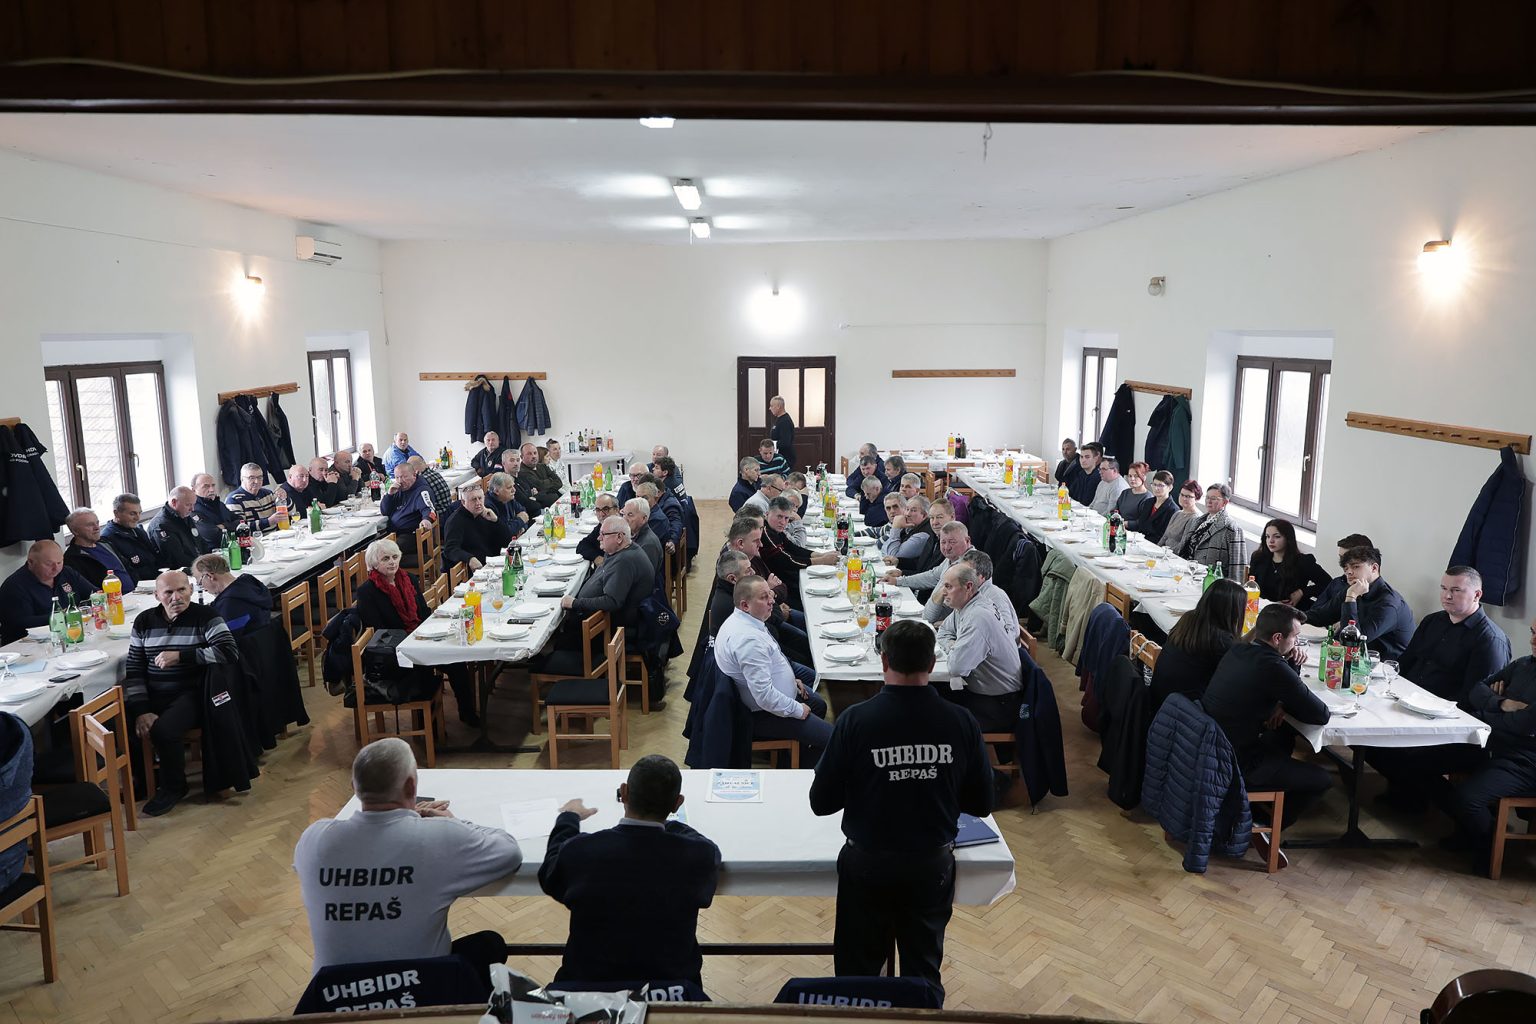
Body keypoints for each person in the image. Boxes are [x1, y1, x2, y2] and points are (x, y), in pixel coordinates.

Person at [808, 618, 992, 991]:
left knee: (857, 976)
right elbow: (982, 802)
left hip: (868, 863)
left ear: (884, 661)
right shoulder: (961, 721)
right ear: (932, 663)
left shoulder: (855, 720)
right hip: (930, 864)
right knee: (922, 973)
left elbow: (821, 803)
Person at [295, 738, 522, 980]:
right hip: (416, 987)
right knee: (490, 945)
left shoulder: (314, 840)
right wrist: (454, 822)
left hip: (334, 992)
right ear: (411, 786)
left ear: (354, 787)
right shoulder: (439, 838)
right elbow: (509, 851)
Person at [539, 755, 720, 986]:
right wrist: (669, 825)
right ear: (677, 803)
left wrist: (568, 818)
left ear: (624, 792)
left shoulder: (584, 851)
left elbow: (550, 871)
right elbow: (708, 849)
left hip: (589, 984)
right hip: (671, 985)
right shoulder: (697, 855)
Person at [1364, 567, 1512, 811]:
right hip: (1411, 707)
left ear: (1477, 595)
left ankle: (1450, 809)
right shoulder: (1433, 621)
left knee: (1402, 755)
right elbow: (1405, 663)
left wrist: (1424, 710)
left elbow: (1475, 698)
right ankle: (1409, 794)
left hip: (1452, 727)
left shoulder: (1489, 639)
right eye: (1444, 588)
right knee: (1367, 739)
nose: (1447, 596)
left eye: (1456, 590)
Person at [1201, 604, 1331, 826]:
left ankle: (1258, 804)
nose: (1297, 643)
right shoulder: (1272, 666)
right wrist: (1290, 675)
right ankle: (1264, 824)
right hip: (1238, 761)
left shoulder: (1238, 650)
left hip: (1212, 747)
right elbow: (1320, 714)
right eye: (1295, 637)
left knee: (1282, 734)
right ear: (1278, 638)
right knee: (1321, 779)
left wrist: (1289, 670)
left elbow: (1285, 690)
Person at [125, 569, 240, 815]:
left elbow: (229, 652)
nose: (176, 597)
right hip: (155, 693)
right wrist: (142, 710)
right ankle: (144, 781)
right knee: (124, 724)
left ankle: (174, 787)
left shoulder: (206, 616)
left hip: (193, 693)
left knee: (164, 730)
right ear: (157, 596)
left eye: (182, 590)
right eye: (169, 592)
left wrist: (181, 656)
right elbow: (134, 668)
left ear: (191, 590)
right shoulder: (144, 621)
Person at [1444, 619, 1536, 873]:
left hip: (1525, 761)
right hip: (1492, 743)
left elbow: (1525, 724)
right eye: (1533, 632)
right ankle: (1466, 834)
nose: (1532, 640)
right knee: (1422, 759)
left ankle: (1489, 849)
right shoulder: (1523, 664)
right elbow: (1477, 690)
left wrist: (1485, 714)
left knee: (1468, 799)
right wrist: (1503, 703)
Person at [354, 539, 477, 724]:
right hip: (393, 652)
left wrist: (428, 635)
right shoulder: (367, 592)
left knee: (456, 663)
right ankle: (427, 726)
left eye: (395, 557)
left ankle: (467, 713)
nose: (392, 562)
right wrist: (413, 640)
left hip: (419, 641)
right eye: (385, 559)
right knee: (423, 670)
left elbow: (424, 613)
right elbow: (379, 631)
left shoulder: (409, 579)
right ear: (373, 564)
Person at [715, 576, 831, 761]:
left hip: (771, 700)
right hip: (763, 714)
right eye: (764, 597)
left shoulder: (747, 620)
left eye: (770, 594)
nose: (771, 601)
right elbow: (763, 696)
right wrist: (797, 709)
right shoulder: (748, 641)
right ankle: (803, 767)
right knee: (834, 739)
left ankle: (795, 758)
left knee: (818, 704)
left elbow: (770, 660)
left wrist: (790, 679)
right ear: (745, 605)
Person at [934, 563, 1022, 732]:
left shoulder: (978, 617)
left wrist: (955, 650)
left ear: (968, 587)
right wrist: (954, 646)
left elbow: (956, 668)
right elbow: (944, 632)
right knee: (928, 693)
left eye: (948, 587)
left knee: (932, 715)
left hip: (998, 705)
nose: (943, 592)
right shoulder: (967, 605)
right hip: (985, 693)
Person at [1148, 578, 1246, 714]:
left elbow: (1238, 649)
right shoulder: (1220, 640)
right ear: (1234, 611)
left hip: (1158, 703)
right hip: (1185, 714)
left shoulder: (1188, 620)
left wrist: (1256, 631)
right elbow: (1241, 666)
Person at [1305, 545, 1415, 660]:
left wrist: (1351, 598)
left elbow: (1352, 641)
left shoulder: (1389, 604)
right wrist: (1293, 615)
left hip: (1384, 664)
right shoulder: (1353, 588)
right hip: (1356, 658)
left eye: (1356, 566)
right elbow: (1321, 616)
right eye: (1346, 568)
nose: (1349, 572)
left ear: (1374, 568)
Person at [557, 518, 652, 635]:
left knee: (560, 634)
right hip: (596, 618)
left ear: (619, 537)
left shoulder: (624, 561)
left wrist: (575, 603)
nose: (599, 538)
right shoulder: (617, 551)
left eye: (603, 534)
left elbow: (612, 601)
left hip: (610, 627)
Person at [0, 540, 96, 643]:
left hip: (68, 635)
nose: (56, 568)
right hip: (28, 644)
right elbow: (22, 623)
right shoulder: (14, 586)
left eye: (59, 562)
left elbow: (94, 594)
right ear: (31, 562)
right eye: (49, 564)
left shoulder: (67, 572)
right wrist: (62, 616)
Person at [884, 521, 971, 624]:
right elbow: (932, 576)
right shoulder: (953, 558)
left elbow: (931, 616)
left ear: (967, 541)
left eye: (952, 542)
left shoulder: (968, 565)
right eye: (943, 542)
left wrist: (948, 624)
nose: (947, 547)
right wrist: (898, 581)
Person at [1248, 519, 1332, 609]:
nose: (1270, 541)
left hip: (1292, 611)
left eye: (1277, 537)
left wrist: (1302, 592)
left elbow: (1329, 584)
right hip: (1262, 609)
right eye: (1267, 537)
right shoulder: (1258, 558)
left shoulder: (1302, 561)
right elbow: (1251, 586)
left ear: (1288, 539)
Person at [1177, 484, 1247, 581]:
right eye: (1207, 497)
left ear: (1225, 502)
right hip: (1188, 573)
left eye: (1213, 498)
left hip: (1212, 580)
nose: (1209, 501)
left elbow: (1237, 566)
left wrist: (1233, 587)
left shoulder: (1231, 528)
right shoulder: (1197, 521)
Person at [192, 552, 271, 635]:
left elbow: (223, 636)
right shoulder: (249, 583)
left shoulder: (230, 603)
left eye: (200, 582)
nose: (203, 588)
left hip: (244, 641)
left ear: (209, 576)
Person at [442, 482, 513, 571]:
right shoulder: (455, 521)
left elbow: (507, 541)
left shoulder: (486, 514)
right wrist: (469, 558)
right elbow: (450, 549)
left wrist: (496, 521)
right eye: (473, 499)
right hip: (474, 570)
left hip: (493, 563)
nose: (478, 503)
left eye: (480, 498)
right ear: (463, 502)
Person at [63, 507, 136, 590]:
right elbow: (87, 590)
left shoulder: (105, 543)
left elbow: (128, 568)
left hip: (136, 592)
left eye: (97, 523)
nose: (97, 528)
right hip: (112, 597)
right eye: (90, 525)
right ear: (75, 531)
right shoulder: (72, 559)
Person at [1312, 533, 1373, 611]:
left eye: (1348, 559)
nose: (1343, 563)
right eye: (1341, 558)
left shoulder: (1379, 596)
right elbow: (1315, 611)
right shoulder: (1337, 583)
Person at [147, 486, 202, 571]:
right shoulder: (161, 525)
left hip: (195, 564)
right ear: (174, 502)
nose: (192, 509)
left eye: (193, 504)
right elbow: (177, 559)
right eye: (188, 505)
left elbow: (199, 541)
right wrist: (202, 565)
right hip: (177, 571)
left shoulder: (184, 515)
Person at [189, 472, 241, 553]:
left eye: (213, 485)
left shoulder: (220, 504)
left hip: (232, 548)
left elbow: (240, 522)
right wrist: (231, 526)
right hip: (212, 554)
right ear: (194, 490)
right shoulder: (193, 509)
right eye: (206, 486)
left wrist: (223, 526)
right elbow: (211, 535)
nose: (212, 490)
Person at [883, 496, 938, 572]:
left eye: (913, 510)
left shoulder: (922, 536)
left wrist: (895, 527)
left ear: (924, 515)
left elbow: (892, 558)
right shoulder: (910, 526)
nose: (907, 514)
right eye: (907, 509)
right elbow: (884, 547)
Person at [379, 462, 432, 537]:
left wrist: (426, 519)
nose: (400, 480)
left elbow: (428, 509)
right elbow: (385, 512)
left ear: (414, 475)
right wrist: (389, 495)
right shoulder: (397, 489)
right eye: (397, 477)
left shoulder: (422, 490)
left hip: (411, 534)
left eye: (404, 477)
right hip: (393, 532)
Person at [225, 463, 280, 533]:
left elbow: (289, 512)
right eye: (251, 478)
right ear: (242, 479)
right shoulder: (233, 500)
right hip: (254, 539)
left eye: (260, 477)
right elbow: (240, 528)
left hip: (277, 536)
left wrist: (284, 498)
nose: (256, 481)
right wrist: (268, 522)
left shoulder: (268, 493)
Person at [1127, 470, 1177, 543]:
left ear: (1170, 488)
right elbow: (1141, 525)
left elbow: (1164, 536)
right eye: (1154, 484)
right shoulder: (1148, 502)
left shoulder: (1173, 509)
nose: (1156, 488)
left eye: (1160, 485)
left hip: (1155, 544)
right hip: (1140, 540)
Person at [1156, 479, 1204, 554]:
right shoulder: (1177, 513)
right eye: (1182, 495)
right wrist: (1156, 549)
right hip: (1164, 552)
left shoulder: (1195, 518)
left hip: (1175, 556)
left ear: (1197, 499)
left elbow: (1183, 545)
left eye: (1188, 496)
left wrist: (1165, 553)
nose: (1184, 498)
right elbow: (1165, 536)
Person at [636, 479, 684, 552]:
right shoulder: (650, 509)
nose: (640, 501)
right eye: (637, 497)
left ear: (657, 494)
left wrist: (672, 540)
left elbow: (676, 523)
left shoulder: (658, 518)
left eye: (645, 498)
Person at [621, 498, 663, 576]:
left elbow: (645, 577)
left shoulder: (648, 544)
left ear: (644, 518)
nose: (624, 519)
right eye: (623, 514)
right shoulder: (632, 534)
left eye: (630, 515)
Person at [576, 493, 622, 564]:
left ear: (616, 510)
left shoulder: (622, 529)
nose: (601, 514)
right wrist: (596, 557)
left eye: (606, 509)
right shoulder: (602, 525)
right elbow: (582, 545)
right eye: (597, 510)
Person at [515, 443, 561, 512]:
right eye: (529, 454)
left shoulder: (542, 466)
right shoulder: (522, 472)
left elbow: (559, 482)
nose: (533, 456)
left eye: (535, 453)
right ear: (522, 457)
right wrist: (550, 482)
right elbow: (540, 486)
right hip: (541, 510)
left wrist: (540, 493)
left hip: (555, 505)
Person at [485, 472, 530, 537]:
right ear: (496, 491)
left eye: (513, 486)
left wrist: (522, 528)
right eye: (509, 487)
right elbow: (504, 532)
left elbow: (524, 514)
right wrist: (520, 520)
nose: (514, 490)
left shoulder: (508, 498)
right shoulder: (488, 507)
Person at [768, 395, 796, 467]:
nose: (770, 408)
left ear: (778, 406)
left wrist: (770, 445)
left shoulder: (785, 421)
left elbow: (785, 442)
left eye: (771, 406)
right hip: (779, 456)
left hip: (785, 458)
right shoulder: (779, 419)